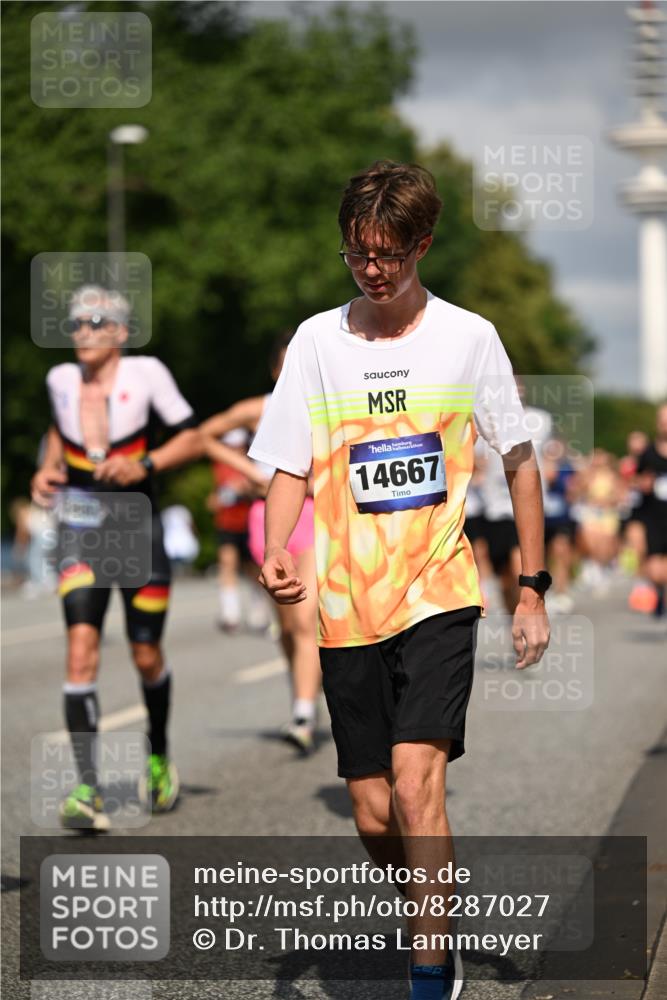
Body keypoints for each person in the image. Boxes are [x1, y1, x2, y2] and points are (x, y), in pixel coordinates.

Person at [248, 161, 551, 1000]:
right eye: (356, 254)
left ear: (421, 245)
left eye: (386, 254)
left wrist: (532, 586)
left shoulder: (466, 336)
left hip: (438, 591)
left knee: (418, 783)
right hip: (346, 604)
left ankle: (428, 967)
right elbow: (285, 463)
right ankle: (429, 902)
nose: (370, 269)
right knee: (375, 812)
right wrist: (276, 546)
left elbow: (518, 461)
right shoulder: (316, 341)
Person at [30, 284, 207, 829]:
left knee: (145, 653)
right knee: (80, 650)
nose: (82, 331)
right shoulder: (60, 380)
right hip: (81, 532)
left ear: (120, 333)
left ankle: (157, 757)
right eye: (77, 322)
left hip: (137, 527)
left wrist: (145, 465)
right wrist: (46, 467)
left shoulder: (146, 374)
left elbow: (194, 439)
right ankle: (88, 790)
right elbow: (59, 432)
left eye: (95, 322)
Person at [200, 333, 321, 754]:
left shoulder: (329, 404)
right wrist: (249, 473)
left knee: (306, 621)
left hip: (316, 517)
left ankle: (304, 713)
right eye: (286, 367)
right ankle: (302, 695)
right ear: (274, 370)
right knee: (286, 625)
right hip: (267, 522)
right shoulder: (260, 409)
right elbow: (205, 435)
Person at [208, 428, 272, 633]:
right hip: (227, 523)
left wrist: (245, 489)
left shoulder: (254, 462)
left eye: (239, 446)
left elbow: (264, 488)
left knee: (253, 570)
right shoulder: (220, 466)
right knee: (227, 563)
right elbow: (214, 497)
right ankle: (230, 613)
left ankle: (259, 607)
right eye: (231, 446)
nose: (235, 450)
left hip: (250, 522)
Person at [632, 404, 667, 616]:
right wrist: (642, 483)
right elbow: (635, 478)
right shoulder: (648, 453)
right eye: (662, 420)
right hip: (653, 517)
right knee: (655, 572)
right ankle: (659, 591)